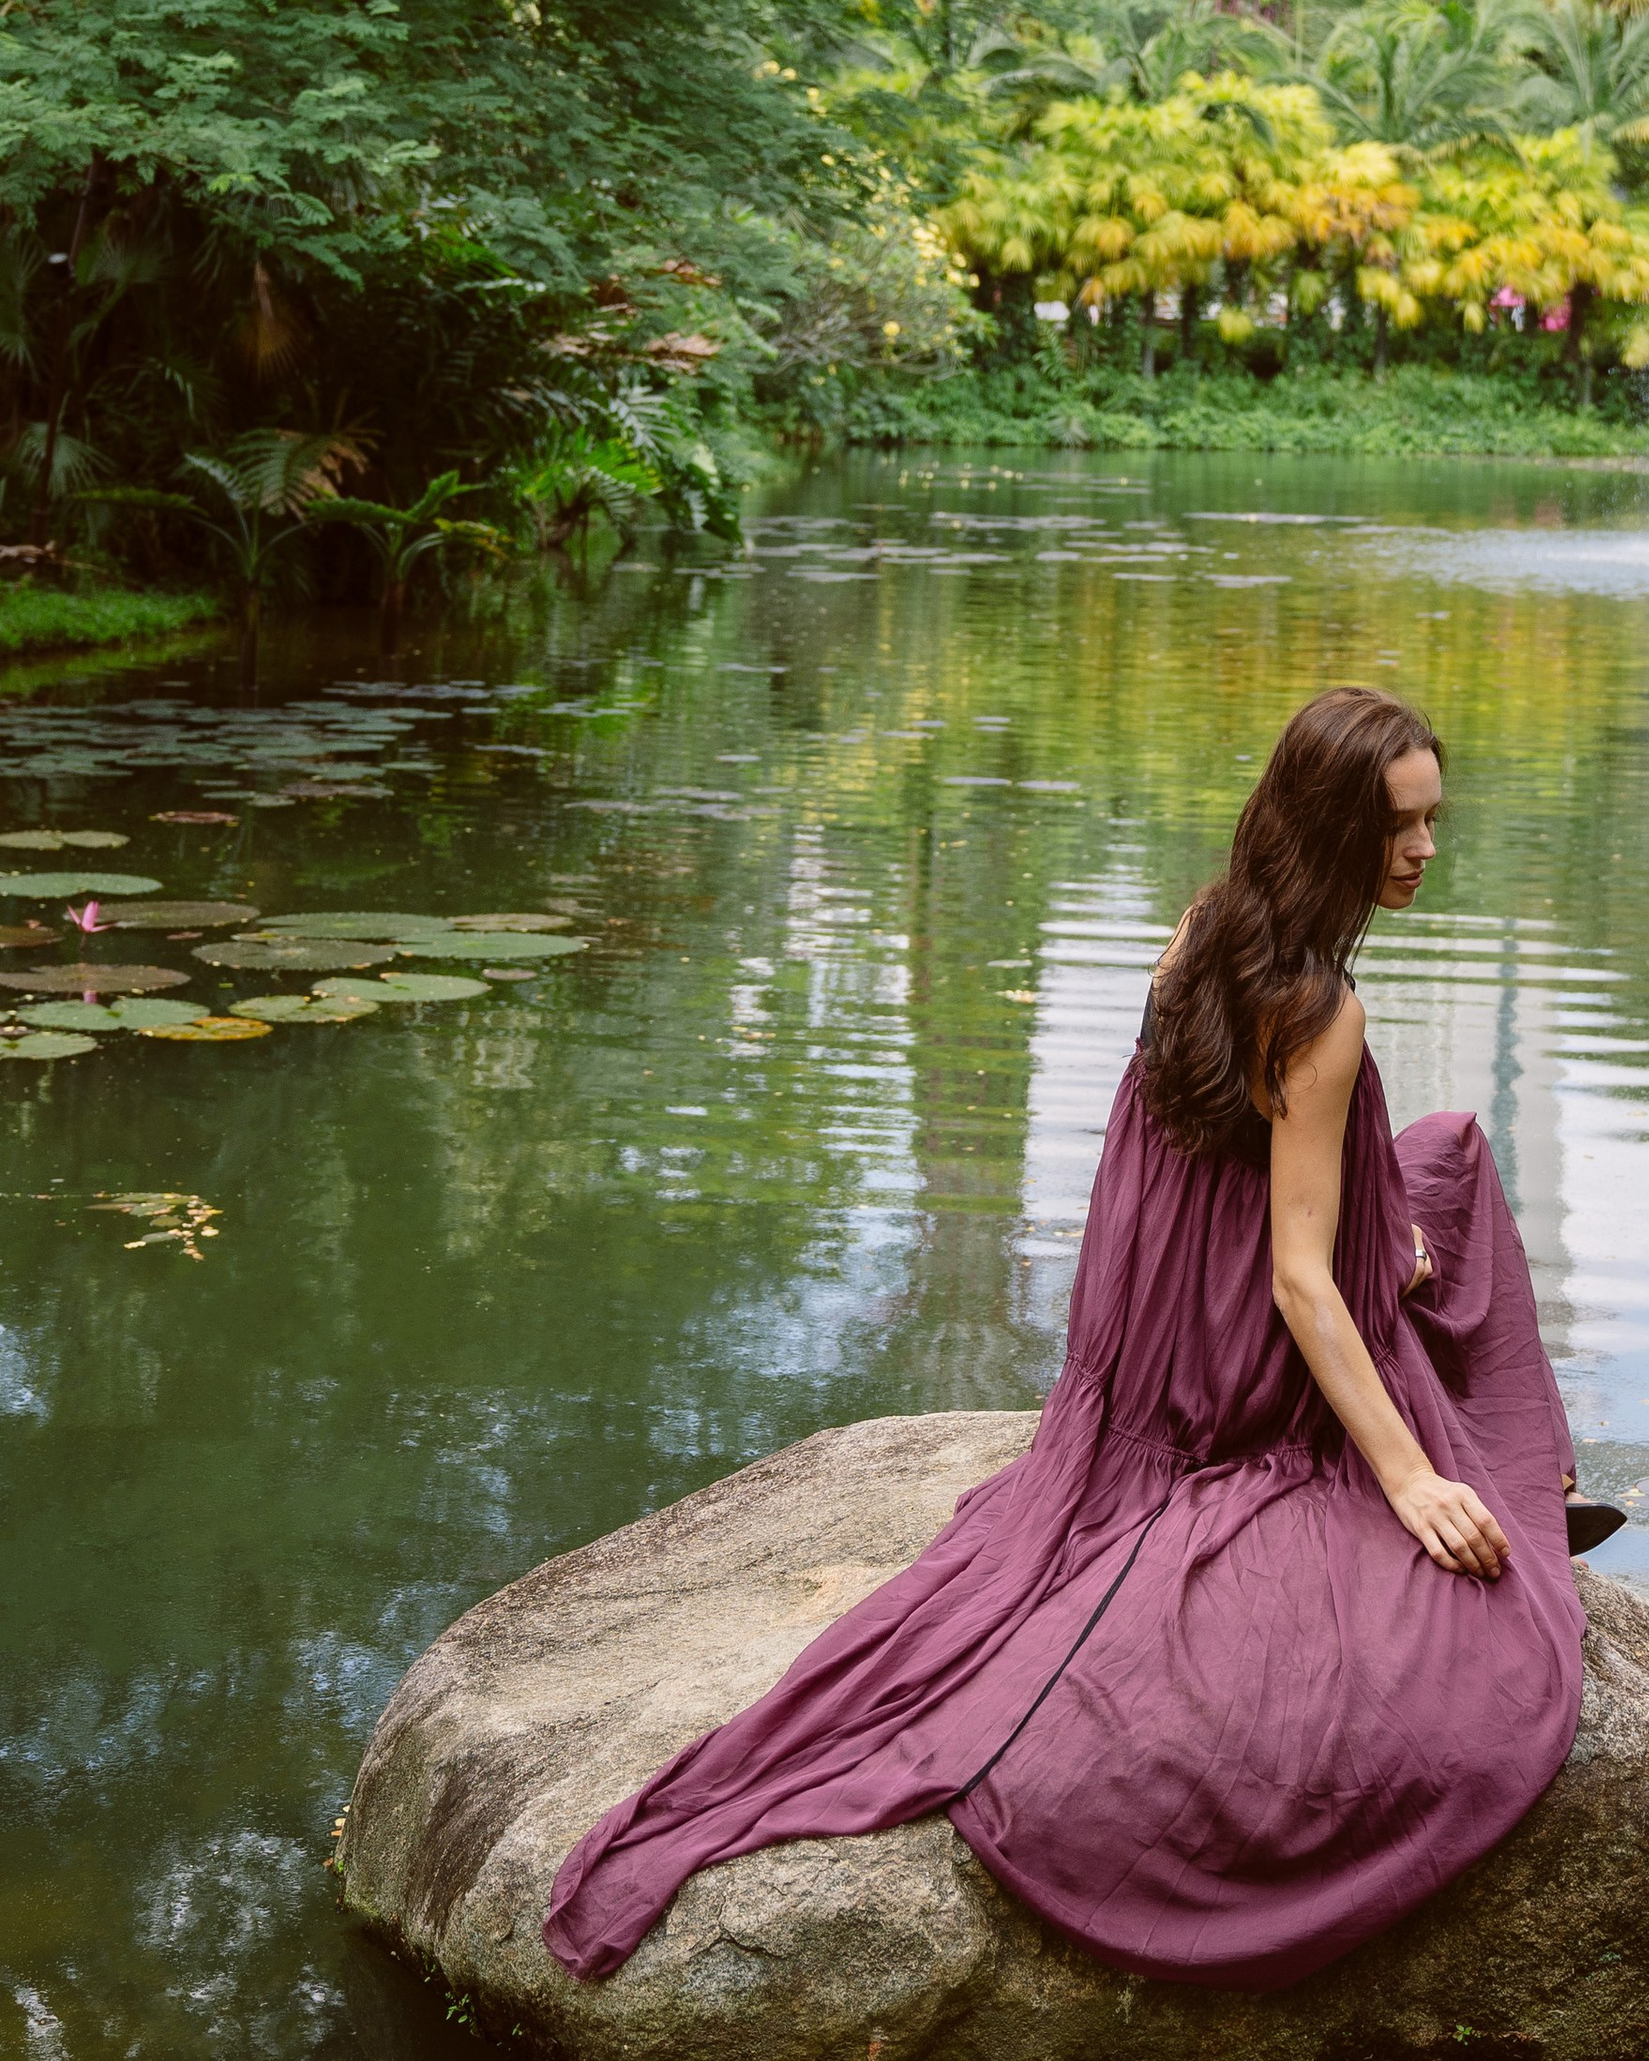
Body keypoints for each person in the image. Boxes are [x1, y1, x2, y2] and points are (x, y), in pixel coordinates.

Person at [544, 686, 1587, 1992]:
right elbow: (1302, 1286)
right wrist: (1409, 1477)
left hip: (1158, 1339)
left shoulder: (1203, 929)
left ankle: (1522, 1446)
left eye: (1434, 820)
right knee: (1458, 1222)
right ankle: (1528, 1471)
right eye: (1401, 827)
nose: (1427, 850)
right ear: (1334, 832)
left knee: (1445, 1156)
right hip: (1243, 1370)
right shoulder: (1321, 1013)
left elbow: (1168, 1178)